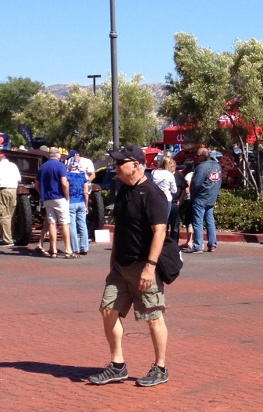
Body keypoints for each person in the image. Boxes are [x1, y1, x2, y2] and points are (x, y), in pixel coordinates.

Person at [87, 145, 171, 388]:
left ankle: (161, 367)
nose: (115, 168)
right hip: (120, 267)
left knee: (153, 317)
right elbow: (122, 229)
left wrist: (150, 267)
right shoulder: (123, 191)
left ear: (135, 164)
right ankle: (117, 365)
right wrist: (113, 260)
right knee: (108, 310)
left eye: (119, 163)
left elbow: (160, 232)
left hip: (143, 266)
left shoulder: (153, 194)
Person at [37, 148, 72, 258]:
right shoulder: (60, 166)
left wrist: (42, 193)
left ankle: (54, 250)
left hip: (47, 198)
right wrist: (67, 196)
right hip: (59, 197)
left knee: (52, 223)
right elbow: (64, 183)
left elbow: (36, 185)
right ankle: (68, 249)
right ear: (59, 156)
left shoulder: (42, 167)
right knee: (64, 223)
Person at [189, 144, 222, 253]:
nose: (197, 157)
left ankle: (198, 245)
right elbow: (219, 182)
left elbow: (196, 184)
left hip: (201, 197)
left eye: (198, 155)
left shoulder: (201, 167)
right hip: (211, 197)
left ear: (203, 156)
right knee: (210, 220)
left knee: (198, 222)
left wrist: (193, 195)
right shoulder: (217, 166)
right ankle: (212, 244)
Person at [0, 151, 22, 246]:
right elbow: (19, 179)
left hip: (3, 190)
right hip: (13, 190)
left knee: (3, 215)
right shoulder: (13, 165)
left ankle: (7, 240)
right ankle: (11, 236)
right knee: (11, 214)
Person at [66, 153, 91, 255]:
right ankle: (84, 247)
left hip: (71, 202)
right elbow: (86, 192)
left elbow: (66, 189)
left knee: (72, 226)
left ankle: (75, 248)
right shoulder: (82, 176)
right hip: (81, 202)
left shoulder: (67, 176)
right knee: (83, 225)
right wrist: (86, 205)